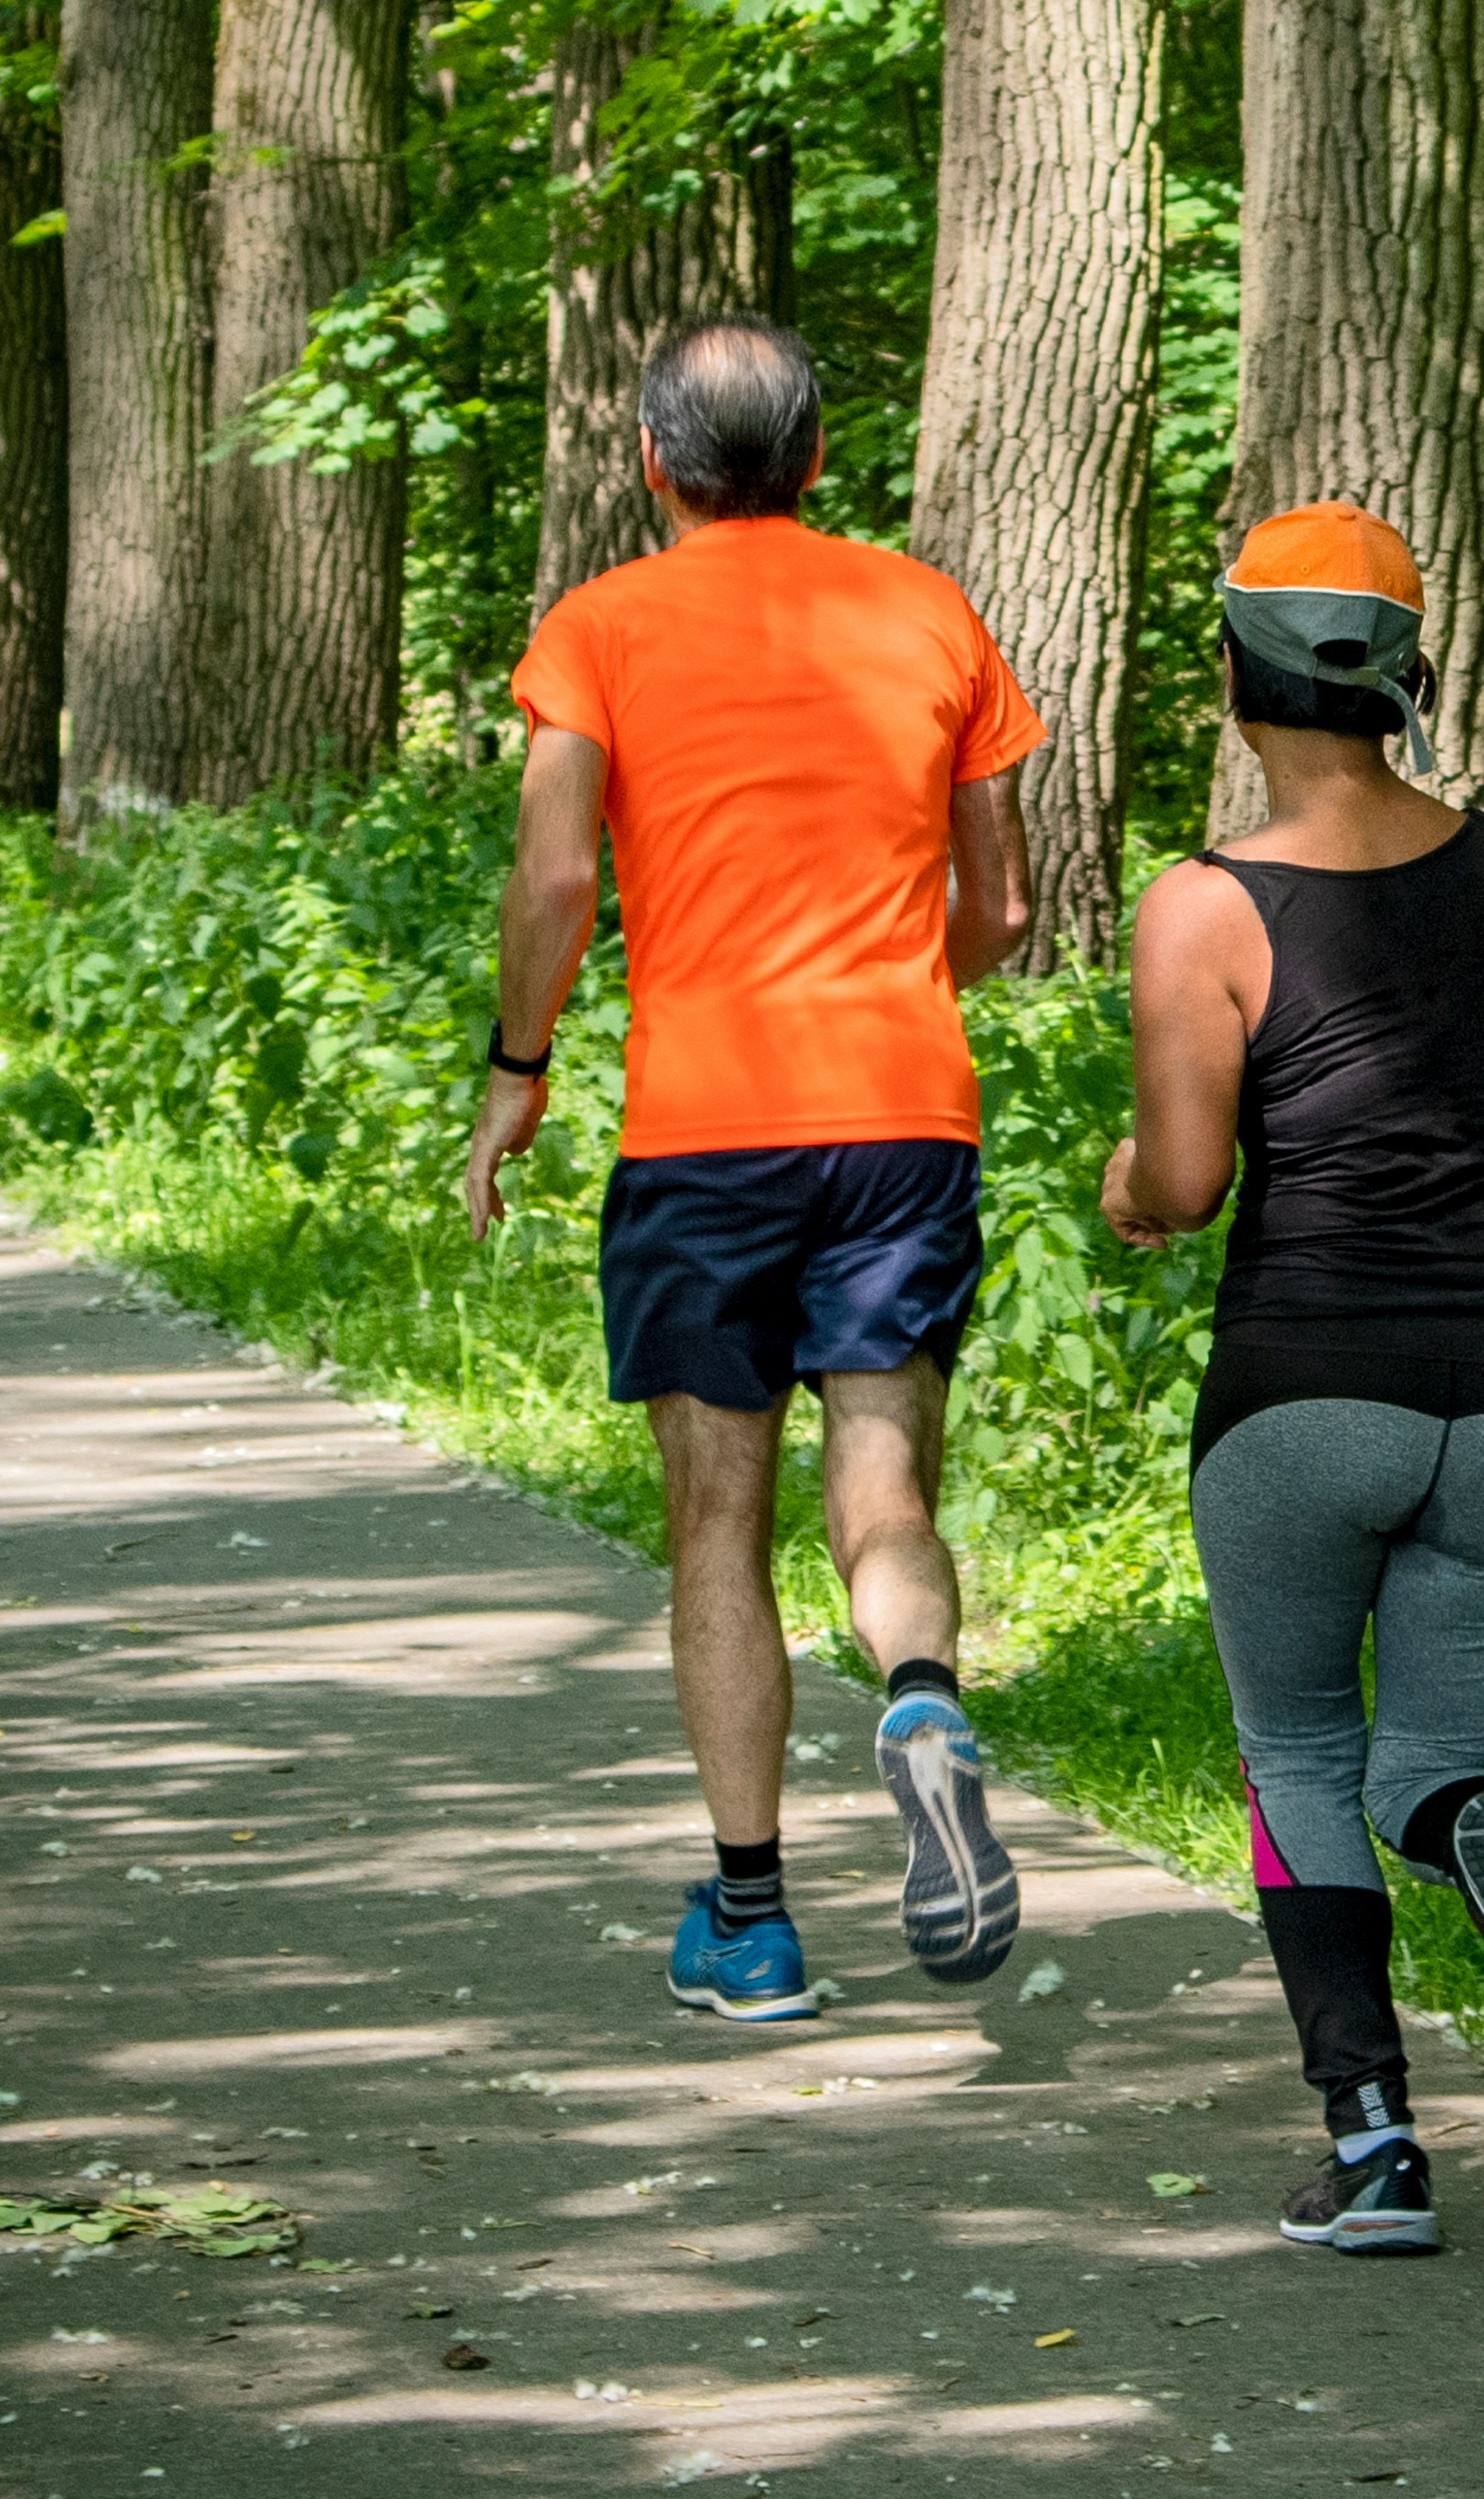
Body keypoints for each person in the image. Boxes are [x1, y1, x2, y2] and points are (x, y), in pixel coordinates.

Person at [1100, 502, 1484, 2257]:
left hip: (1305, 1384)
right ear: (1402, 676)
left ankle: (1373, 2153)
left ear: (1235, 678)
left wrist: (1126, 1190)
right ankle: (1482, 1824)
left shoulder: (1204, 904)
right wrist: (1480, 1167)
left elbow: (1188, 1183)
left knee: (1296, 1754)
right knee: (1427, 1762)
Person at [463, 315, 1043, 2023]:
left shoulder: (598, 629)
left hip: (705, 1131)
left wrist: (518, 1068)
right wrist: (895, 996)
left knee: (720, 1520)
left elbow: (559, 882)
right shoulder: (928, 611)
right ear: (813, 459)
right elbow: (996, 911)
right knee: (887, 1482)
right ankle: (923, 1698)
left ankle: (755, 1919)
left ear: (652, 460)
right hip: (899, 1117)